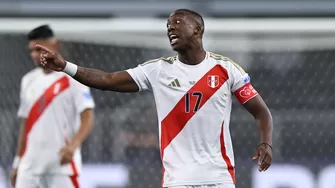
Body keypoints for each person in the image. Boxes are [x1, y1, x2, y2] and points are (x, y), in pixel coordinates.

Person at [37, 9, 273, 188]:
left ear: (198, 29)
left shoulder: (226, 70)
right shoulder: (158, 70)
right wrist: (65, 66)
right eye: (168, 25)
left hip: (219, 177)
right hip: (176, 180)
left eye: (178, 23)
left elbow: (261, 111)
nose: (171, 28)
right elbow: (108, 80)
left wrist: (266, 143)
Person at [11, 25, 95, 188]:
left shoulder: (73, 78)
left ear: (54, 46)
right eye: (32, 51)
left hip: (61, 167)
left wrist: (72, 146)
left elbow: (88, 117)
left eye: (39, 49)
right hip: (29, 168)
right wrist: (17, 162)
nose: (35, 55)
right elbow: (25, 125)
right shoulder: (28, 80)